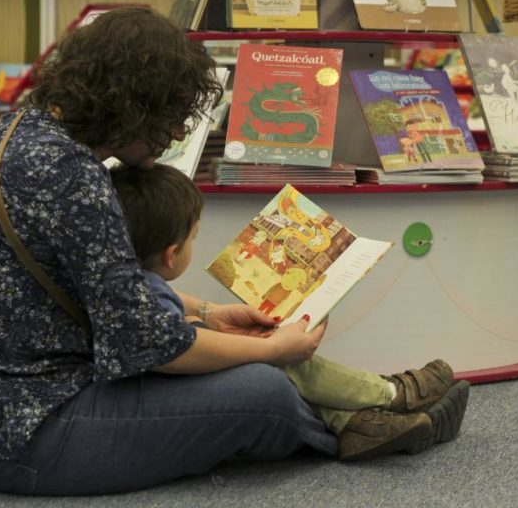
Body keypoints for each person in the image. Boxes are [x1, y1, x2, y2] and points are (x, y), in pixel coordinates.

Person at [0, 8, 468, 496]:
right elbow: (147, 346)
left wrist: (210, 315)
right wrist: (268, 351)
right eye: (168, 116)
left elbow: (103, 289)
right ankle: (354, 424)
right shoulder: (70, 178)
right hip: (16, 429)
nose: (172, 135)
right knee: (259, 390)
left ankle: (367, 409)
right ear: (133, 103)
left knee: (232, 352)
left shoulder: (21, 135)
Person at [109, 162, 469, 462]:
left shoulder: (128, 282)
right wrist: (267, 347)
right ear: (172, 255)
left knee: (256, 345)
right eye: (194, 237)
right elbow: (175, 348)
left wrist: (207, 316)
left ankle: (356, 422)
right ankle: (391, 396)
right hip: (156, 393)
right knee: (276, 358)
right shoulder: (148, 294)